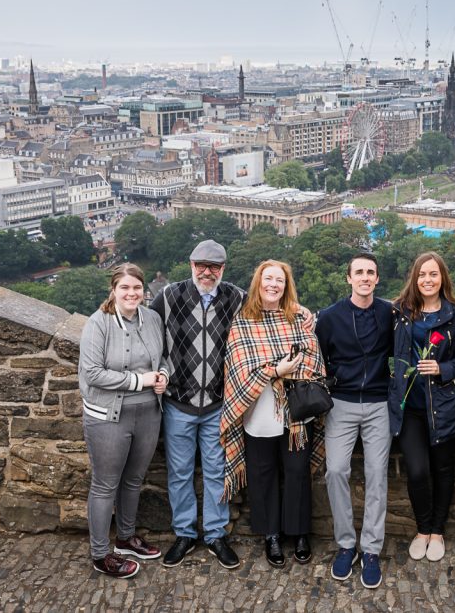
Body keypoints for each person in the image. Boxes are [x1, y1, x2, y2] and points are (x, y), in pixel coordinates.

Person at [220, 260, 326, 569]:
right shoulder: (243, 322)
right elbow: (239, 369)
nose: (273, 285)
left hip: (295, 415)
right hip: (259, 414)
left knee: (297, 472)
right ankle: (271, 535)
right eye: (268, 279)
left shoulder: (297, 318)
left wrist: (279, 370)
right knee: (262, 474)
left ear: (286, 286)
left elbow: (312, 358)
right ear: (258, 283)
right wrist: (278, 369)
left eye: (279, 280)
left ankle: (300, 532)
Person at [150, 240, 244, 570]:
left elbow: (270, 317)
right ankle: (185, 534)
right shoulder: (168, 296)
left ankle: (216, 534)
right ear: (191, 264)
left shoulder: (236, 297)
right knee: (180, 473)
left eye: (214, 267)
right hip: (178, 401)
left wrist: (304, 315)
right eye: (201, 265)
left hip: (218, 402)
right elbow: (146, 335)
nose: (207, 272)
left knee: (216, 472)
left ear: (223, 269)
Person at [78, 263, 168, 578]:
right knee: (105, 485)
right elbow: (92, 373)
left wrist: (163, 377)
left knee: (133, 480)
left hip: (148, 413)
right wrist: (139, 381)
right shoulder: (97, 324)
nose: (132, 293)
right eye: (125, 288)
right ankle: (101, 555)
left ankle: (126, 538)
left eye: (137, 288)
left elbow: (164, 358)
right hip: (108, 417)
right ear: (114, 290)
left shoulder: (153, 319)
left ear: (144, 290)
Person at [389, 251, 455, 563]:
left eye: (433, 274)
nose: (427, 280)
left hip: (444, 405)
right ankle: (422, 528)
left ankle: (437, 530)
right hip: (409, 407)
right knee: (417, 470)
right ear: (415, 278)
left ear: (442, 279)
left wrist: (442, 369)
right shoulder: (399, 311)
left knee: (442, 469)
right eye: (422, 274)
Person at [316, 252, 392, 588]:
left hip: (378, 403)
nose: (364, 277)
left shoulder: (390, 313)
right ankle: (346, 544)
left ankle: (371, 548)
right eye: (358, 272)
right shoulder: (331, 316)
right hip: (342, 402)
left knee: (377, 474)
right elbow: (317, 356)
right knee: (335, 471)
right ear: (349, 277)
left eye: (370, 272)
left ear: (377, 278)